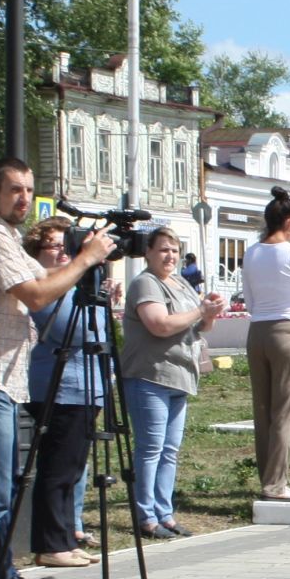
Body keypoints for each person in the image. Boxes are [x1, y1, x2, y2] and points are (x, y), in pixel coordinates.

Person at [0, 157, 114, 579]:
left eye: (28, 190)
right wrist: (86, 259)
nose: (23, 198)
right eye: (14, 190)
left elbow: (46, 284)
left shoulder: (6, 236)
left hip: (6, 380)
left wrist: (85, 261)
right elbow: (37, 295)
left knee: (1, 490)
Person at [121, 226, 224, 538]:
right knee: (150, 449)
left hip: (179, 378)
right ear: (148, 252)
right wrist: (199, 311)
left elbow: (202, 326)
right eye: (163, 249)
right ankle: (146, 517)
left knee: (169, 450)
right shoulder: (145, 284)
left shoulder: (179, 283)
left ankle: (165, 513)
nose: (170, 256)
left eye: (175, 250)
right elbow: (160, 325)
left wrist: (210, 312)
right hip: (149, 376)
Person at [25, 217, 107, 566]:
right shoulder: (41, 285)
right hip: (58, 387)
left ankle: (64, 538)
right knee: (57, 468)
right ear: (37, 252)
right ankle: (49, 544)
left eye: (66, 245)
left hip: (86, 386)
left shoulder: (75, 287)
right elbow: (70, 331)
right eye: (53, 246)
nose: (61, 252)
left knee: (72, 468)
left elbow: (100, 330)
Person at [242, 187, 290, 501]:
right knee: (284, 410)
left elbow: (248, 299)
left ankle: (267, 477)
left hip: (257, 330)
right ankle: (276, 483)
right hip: (289, 331)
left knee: (263, 409)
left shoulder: (251, 252)